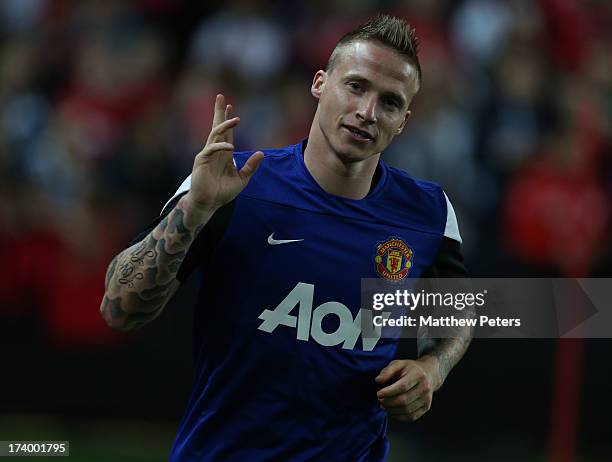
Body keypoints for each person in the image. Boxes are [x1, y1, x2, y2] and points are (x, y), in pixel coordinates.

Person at [100, 14, 471, 461]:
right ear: (320, 83)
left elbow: (458, 312)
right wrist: (195, 209)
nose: (367, 112)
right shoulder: (230, 183)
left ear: (403, 121)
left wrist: (432, 368)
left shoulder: (428, 213)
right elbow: (119, 309)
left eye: (389, 102)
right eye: (355, 86)